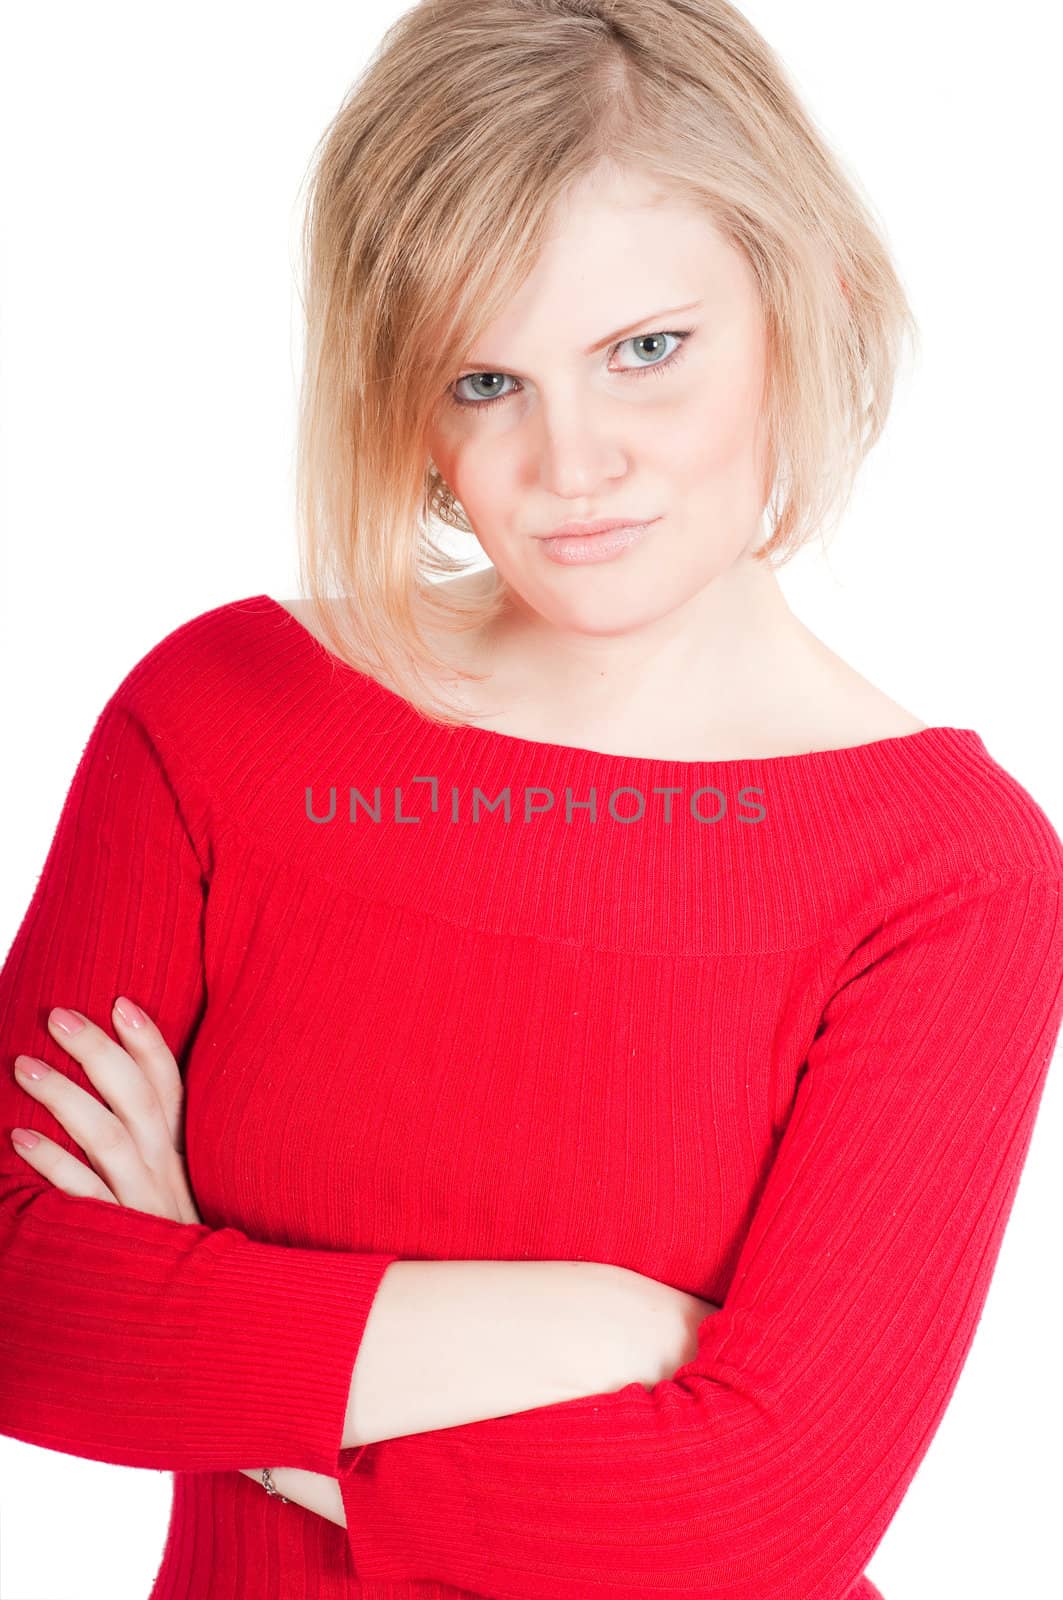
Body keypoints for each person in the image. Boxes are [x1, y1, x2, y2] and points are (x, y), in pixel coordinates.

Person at [2, 2, 1062, 1598]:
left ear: (809, 302)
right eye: (486, 379)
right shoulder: (222, 721)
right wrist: (592, 1332)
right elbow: (23, 1302)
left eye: (647, 350)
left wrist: (214, 1324)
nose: (576, 467)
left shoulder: (946, 877)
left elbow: (751, 1524)